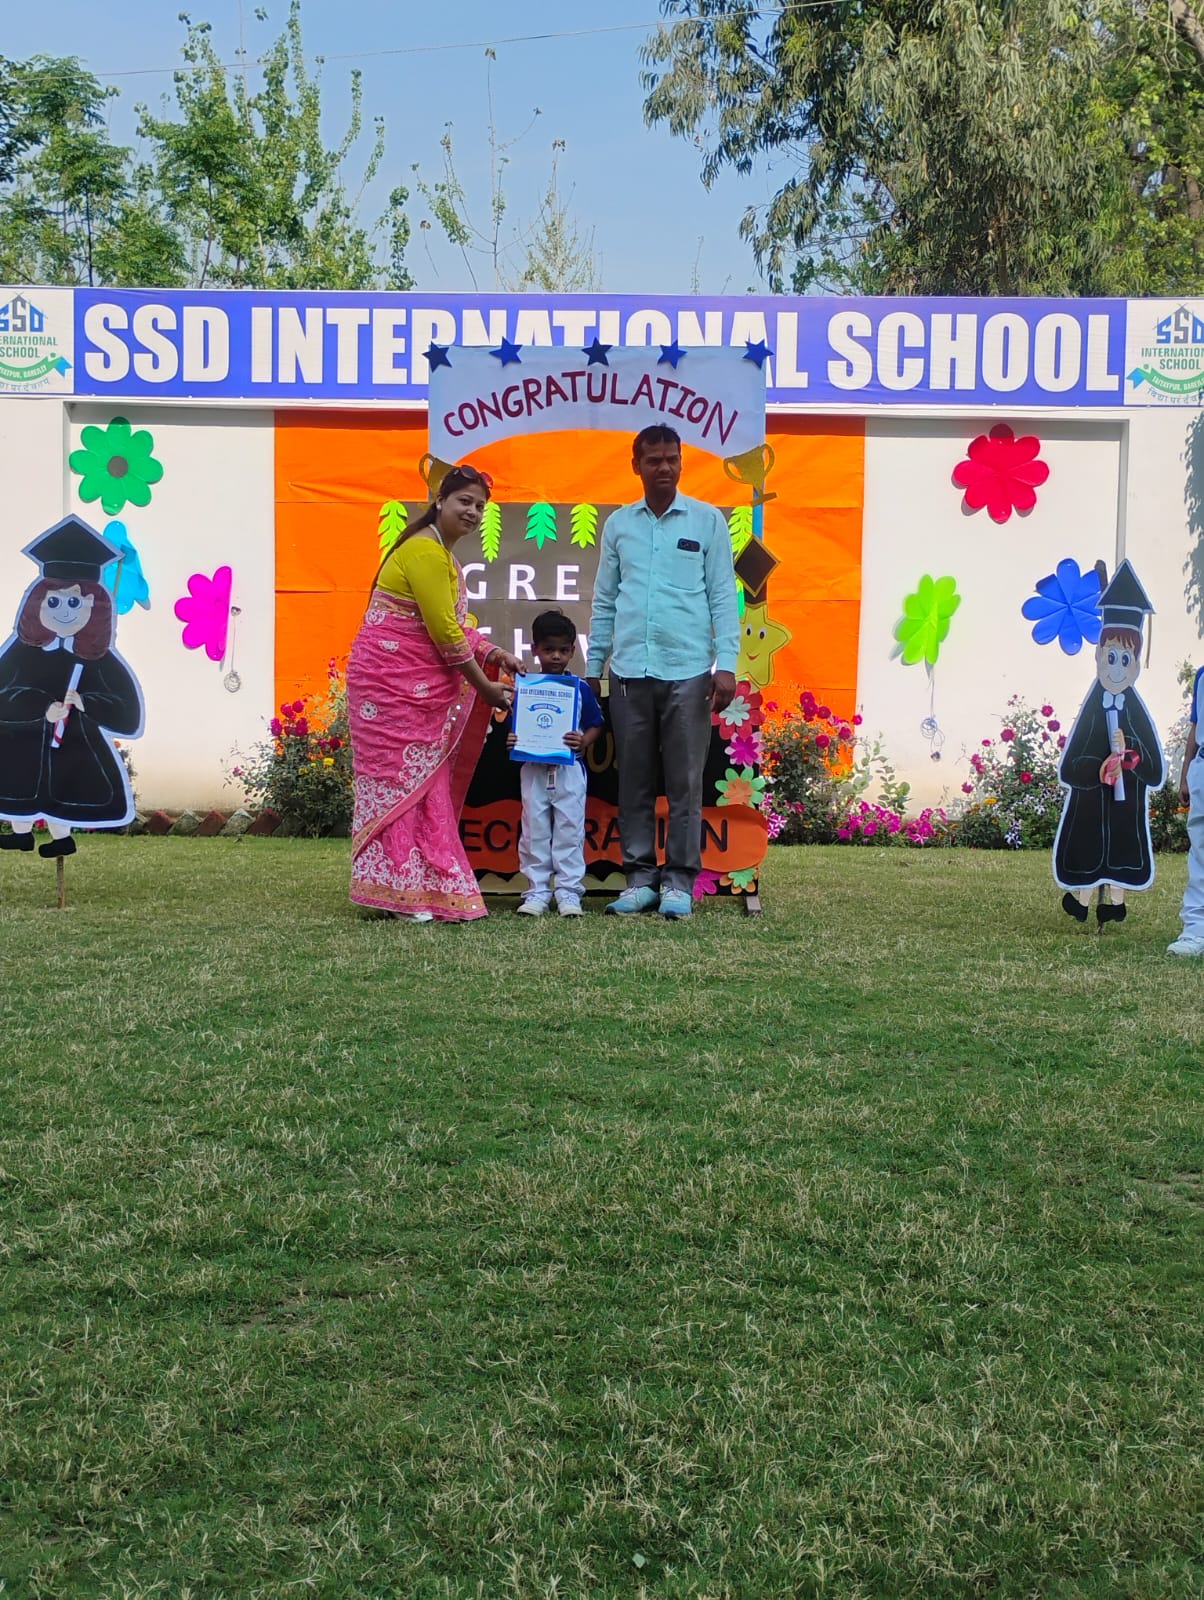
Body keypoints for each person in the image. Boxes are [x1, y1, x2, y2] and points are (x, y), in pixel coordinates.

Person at [347, 464, 524, 923]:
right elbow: (444, 632)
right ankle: (398, 893)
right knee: (399, 785)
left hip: (412, 685)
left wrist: (494, 652)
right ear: (440, 501)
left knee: (422, 786)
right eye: (465, 501)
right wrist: (484, 685)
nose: (473, 512)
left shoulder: (439, 553)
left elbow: (454, 625)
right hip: (391, 687)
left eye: (480, 506)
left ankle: (413, 891)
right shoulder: (426, 551)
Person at [586, 424, 738, 919]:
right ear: (636, 466)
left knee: (684, 783)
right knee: (633, 780)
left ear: (681, 462)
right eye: (654, 460)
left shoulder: (707, 521)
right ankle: (639, 880)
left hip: (689, 670)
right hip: (629, 671)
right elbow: (605, 600)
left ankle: (678, 883)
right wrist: (593, 669)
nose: (664, 467)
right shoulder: (619, 525)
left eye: (672, 458)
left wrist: (727, 664)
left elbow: (723, 596)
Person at [0, 517, 143, 858]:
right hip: (23, 747)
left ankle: (62, 839)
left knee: (63, 794)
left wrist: (85, 701)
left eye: (75, 602)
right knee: (18, 785)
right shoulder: (21, 652)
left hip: (75, 750)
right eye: (54, 602)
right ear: (37, 604)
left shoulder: (99, 660)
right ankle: (20, 834)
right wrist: (40, 707)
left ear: (96, 607)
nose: (64, 612)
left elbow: (128, 715)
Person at [1053, 561, 1164, 926]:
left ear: (1136, 664)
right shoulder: (1093, 706)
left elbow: (1153, 769)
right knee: (1089, 851)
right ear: (1099, 656)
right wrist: (1097, 767)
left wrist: (1129, 752)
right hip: (1090, 805)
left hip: (1124, 806)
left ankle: (1116, 903)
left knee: (1120, 851)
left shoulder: (1134, 709)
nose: (1116, 669)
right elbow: (1071, 766)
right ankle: (1082, 901)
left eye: (1125, 660)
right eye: (1111, 657)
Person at [507, 610, 603, 918]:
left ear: (573, 650)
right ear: (534, 649)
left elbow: (596, 724)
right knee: (533, 830)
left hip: (569, 770)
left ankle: (568, 891)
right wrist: (514, 739)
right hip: (533, 769)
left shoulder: (580, 688)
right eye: (549, 649)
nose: (556, 656)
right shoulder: (524, 687)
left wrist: (583, 741)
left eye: (563, 650)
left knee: (569, 830)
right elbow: (515, 726)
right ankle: (536, 891)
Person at [1168, 661, 1204, 956]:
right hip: (1202, 768)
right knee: (1200, 853)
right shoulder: (1203, 676)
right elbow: (1196, 726)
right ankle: (1195, 930)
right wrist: (1185, 774)